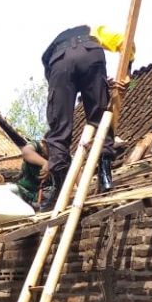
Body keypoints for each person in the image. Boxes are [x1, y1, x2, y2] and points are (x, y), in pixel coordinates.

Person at [41, 25, 128, 207]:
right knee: (100, 116)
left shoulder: (50, 55)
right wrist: (126, 75)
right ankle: (105, 176)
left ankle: (59, 187)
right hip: (92, 54)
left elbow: (58, 101)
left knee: (59, 128)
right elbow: (126, 42)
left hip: (60, 61)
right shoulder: (93, 31)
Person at [16, 139, 51, 207]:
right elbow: (26, 151)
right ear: (44, 143)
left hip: (34, 194)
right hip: (21, 187)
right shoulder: (36, 146)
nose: (52, 152)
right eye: (50, 147)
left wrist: (38, 201)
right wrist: (45, 163)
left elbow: (42, 184)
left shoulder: (54, 158)